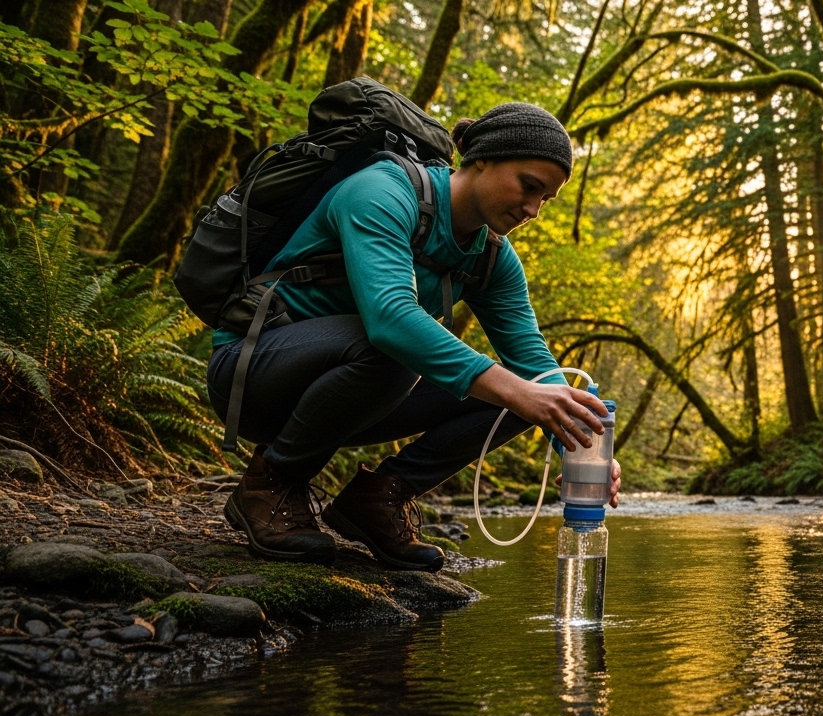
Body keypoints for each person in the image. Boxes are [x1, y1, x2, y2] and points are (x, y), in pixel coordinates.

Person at [207, 102, 620, 573]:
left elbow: (537, 367)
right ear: (482, 157)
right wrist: (522, 390)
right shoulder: (381, 191)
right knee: (403, 347)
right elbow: (390, 318)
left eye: (545, 199)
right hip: (254, 372)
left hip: (355, 392)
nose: (532, 210)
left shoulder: (491, 258)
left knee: (533, 393)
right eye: (529, 187)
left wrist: (584, 446)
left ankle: (378, 500)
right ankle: (271, 484)